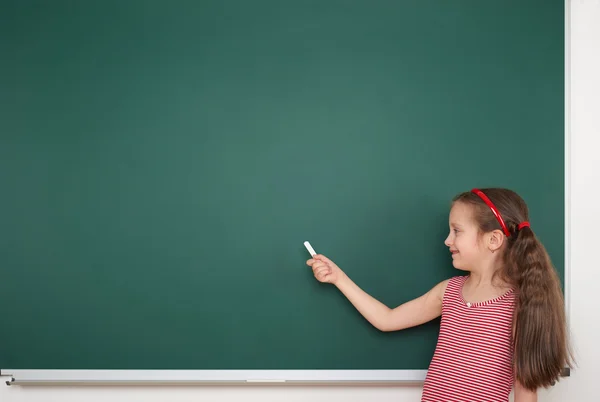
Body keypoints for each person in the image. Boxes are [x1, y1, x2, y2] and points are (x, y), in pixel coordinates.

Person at [307, 188, 573, 402]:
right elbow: (386, 319)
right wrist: (338, 278)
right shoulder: (449, 291)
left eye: (456, 231)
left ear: (493, 240)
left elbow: (526, 392)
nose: (447, 240)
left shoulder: (518, 304)